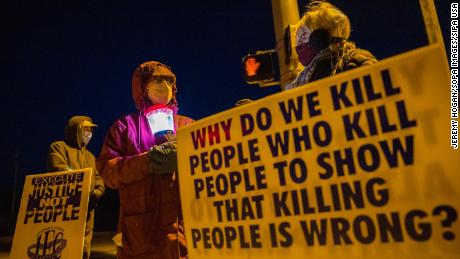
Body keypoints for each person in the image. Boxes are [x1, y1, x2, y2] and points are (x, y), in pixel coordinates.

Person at [96, 61, 193, 258]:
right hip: (140, 233)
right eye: (157, 80)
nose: (164, 87)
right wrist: (148, 161)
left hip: (182, 233)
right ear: (142, 87)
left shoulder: (188, 125)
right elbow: (108, 172)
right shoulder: (124, 127)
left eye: (169, 82)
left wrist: (239, 124)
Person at [47, 115, 105, 259]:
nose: (89, 133)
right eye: (85, 129)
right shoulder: (59, 147)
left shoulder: (90, 156)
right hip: (66, 207)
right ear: (75, 130)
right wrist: (82, 188)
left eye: (91, 130)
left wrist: (97, 192)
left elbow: (98, 178)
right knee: (63, 243)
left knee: (85, 243)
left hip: (87, 207)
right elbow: (59, 170)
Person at [285, 0, 377, 89]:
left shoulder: (355, 59)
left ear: (321, 35)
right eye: (297, 39)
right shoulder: (301, 80)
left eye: (303, 35)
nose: (298, 45)